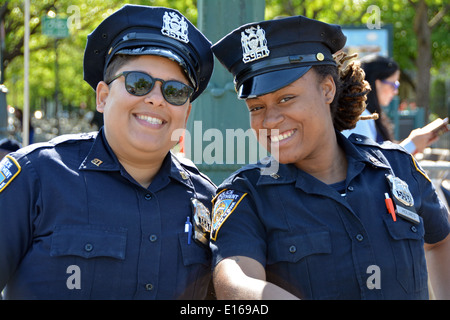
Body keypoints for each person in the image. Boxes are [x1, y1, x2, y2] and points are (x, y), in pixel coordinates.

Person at [210, 15, 450, 299]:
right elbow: (234, 282)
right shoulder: (247, 195)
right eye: (256, 107)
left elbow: (439, 242)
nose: (270, 120)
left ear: (327, 89)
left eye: (286, 98)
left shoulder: (397, 168)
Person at [0, 5, 216, 299]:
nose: (155, 99)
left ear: (186, 112)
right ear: (103, 97)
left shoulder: (206, 199)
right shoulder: (35, 177)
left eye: (175, 91)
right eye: (138, 83)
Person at [342, 55, 439, 154]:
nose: (396, 91)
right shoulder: (361, 119)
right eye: (393, 84)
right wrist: (412, 144)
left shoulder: (364, 115)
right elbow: (371, 164)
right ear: (377, 83)